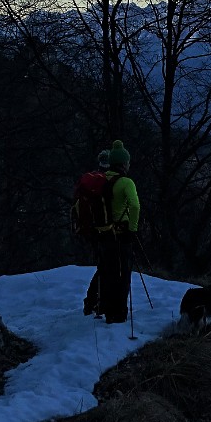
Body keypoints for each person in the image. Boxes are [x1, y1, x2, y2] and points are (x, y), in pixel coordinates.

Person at [94, 139, 140, 324]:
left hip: (103, 234)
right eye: (127, 162)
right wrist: (132, 229)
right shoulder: (126, 182)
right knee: (123, 273)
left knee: (107, 271)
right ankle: (119, 313)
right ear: (123, 163)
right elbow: (135, 206)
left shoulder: (101, 179)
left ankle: (104, 308)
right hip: (122, 234)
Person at [77, 149, 111, 317]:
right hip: (105, 231)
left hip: (91, 231)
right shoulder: (106, 181)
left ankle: (92, 302)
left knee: (103, 267)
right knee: (106, 268)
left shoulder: (90, 180)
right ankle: (95, 302)